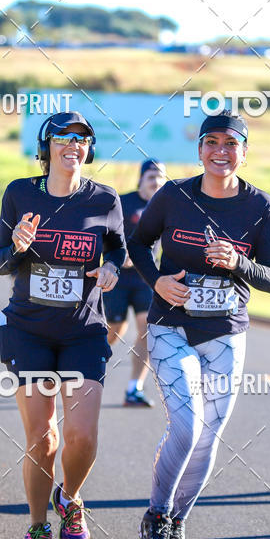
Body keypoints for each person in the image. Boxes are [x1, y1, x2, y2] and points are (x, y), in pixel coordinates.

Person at [128, 110, 270, 539]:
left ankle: (178, 521)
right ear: (199, 150)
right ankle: (156, 517)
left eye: (231, 143)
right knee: (187, 425)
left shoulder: (260, 206)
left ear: (244, 152)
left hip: (225, 333)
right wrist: (157, 281)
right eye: (212, 142)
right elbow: (138, 243)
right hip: (170, 325)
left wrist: (237, 262)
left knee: (209, 437)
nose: (221, 151)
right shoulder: (174, 195)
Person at [0, 111, 126, 539]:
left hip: (82, 332)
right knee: (43, 438)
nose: (74, 144)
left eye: (82, 138)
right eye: (63, 137)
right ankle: (37, 528)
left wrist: (111, 268)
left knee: (82, 436)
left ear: (89, 148)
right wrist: (18, 246)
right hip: (29, 331)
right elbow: (0, 263)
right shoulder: (20, 193)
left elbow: (118, 247)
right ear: (46, 147)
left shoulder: (105, 199)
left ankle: (69, 498)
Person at [104, 158, 166, 406]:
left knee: (147, 330)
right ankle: (86, 369)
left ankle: (134, 389)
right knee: (115, 331)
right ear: (141, 179)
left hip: (146, 279)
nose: (156, 181)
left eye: (161, 177)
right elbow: (106, 234)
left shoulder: (166, 206)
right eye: (151, 177)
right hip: (118, 279)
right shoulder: (122, 202)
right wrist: (120, 256)